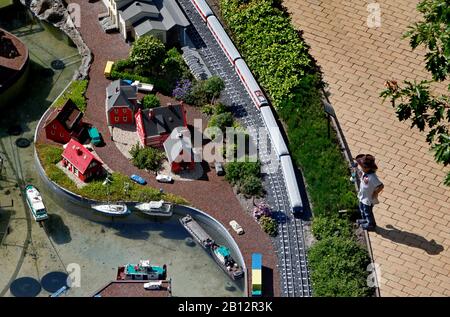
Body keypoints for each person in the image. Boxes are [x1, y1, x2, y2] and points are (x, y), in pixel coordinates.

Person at [354, 154, 384, 231]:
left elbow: (381, 186)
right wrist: (356, 168)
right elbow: (360, 174)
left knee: (368, 212)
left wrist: (375, 193)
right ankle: (365, 220)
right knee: (362, 208)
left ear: (368, 168)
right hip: (363, 196)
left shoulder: (372, 177)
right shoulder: (365, 172)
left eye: (362, 167)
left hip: (368, 199)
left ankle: (371, 224)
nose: (361, 168)